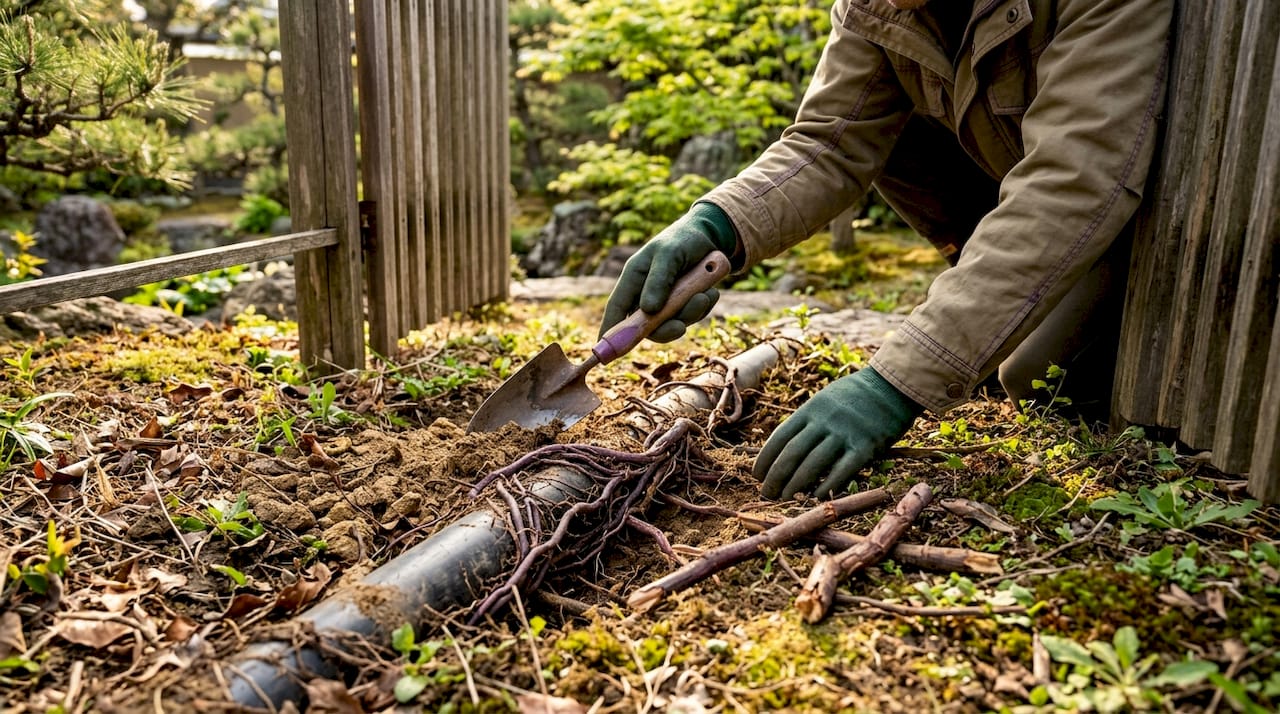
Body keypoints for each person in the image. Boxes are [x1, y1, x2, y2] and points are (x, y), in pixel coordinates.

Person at [599, 0, 1173, 500]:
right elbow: (830, 141)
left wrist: (898, 380)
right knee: (888, 130)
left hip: (1145, 228)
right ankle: (992, 303)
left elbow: (1072, 182)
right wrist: (715, 225)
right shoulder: (879, 5)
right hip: (1030, 202)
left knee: (1032, 380)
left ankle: (1013, 318)